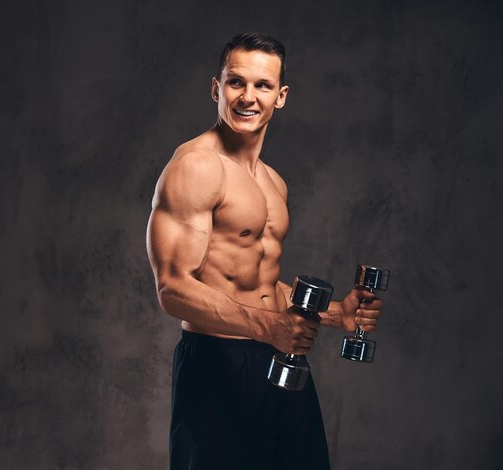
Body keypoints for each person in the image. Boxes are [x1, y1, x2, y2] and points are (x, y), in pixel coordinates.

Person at [146, 32, 382, 470]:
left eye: (263, 86)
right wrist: (268, 327)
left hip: (278, 359)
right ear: (216, 88)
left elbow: (258, 282)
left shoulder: (273, 183)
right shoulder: (196, 167)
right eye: (236, 82)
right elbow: (172, 288)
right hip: (218, 365)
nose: (247, 97)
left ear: (281, 96)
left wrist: (336, 314)